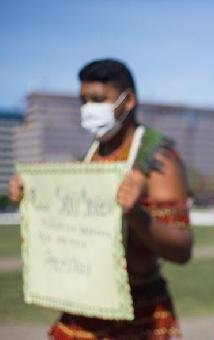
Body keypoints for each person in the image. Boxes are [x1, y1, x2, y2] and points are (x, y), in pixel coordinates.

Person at [9, 58, 193, 339]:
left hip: (139, 314)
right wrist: (31, 194)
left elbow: (181, 250)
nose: (88, 110)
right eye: (83, 101)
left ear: (128, 100)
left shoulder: (157, 159)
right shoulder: (92, 155)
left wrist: (136, 215)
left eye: (97, 100)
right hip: (85, 312)